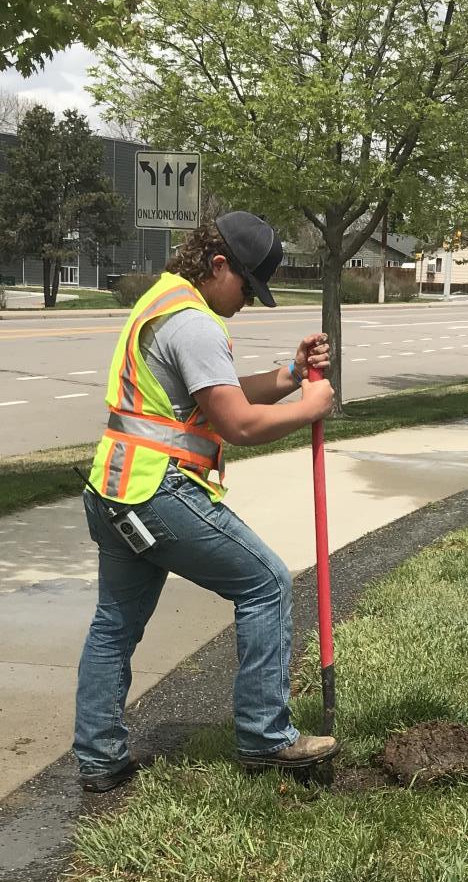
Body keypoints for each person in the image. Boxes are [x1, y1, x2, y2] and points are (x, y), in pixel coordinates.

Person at [73, 211, 337, 793]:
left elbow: (219, 394)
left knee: (114, 625)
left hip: (114, 491)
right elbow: (238, 423)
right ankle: (266, 737)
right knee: (266, 582)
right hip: (157, 492)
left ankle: (99, 759)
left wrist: (291, 375)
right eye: (247, 286)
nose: (246, 301)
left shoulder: (162, 300)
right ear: (219, 265)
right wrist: (311, 408)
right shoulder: (193, 323)